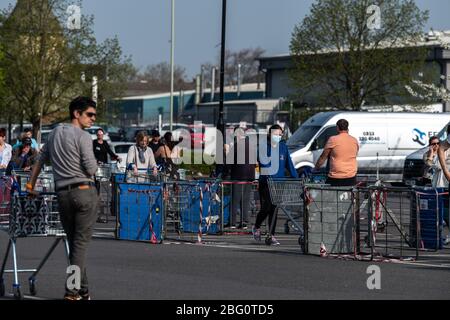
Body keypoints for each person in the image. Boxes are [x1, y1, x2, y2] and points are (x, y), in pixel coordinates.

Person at [28, 96, 99, 301]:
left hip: (62, 193)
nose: (93, 119)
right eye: (89, 114)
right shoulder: (83, 136)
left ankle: (83, 290)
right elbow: (91, 167)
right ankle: (72, 291)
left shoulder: (55, 133)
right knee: (80, 245)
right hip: (84, 191)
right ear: (77, 113)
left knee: (75, 244)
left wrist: (30, 184)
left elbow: (41, 160)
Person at [252, 124, 298, 245]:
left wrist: (296, 177)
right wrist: (268, 173)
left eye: (279, 134)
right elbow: (263, 162)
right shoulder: (263, 147)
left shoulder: (283, 147)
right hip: (266, 182)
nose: (277, 136)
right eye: (275, 134)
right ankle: (256, 226)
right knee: (266, 207)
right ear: (269, 134)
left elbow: (289, 164)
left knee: (274, 208)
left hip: (279, 183)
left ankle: (271, 235)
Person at [226, 127, 256, 229]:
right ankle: (244, 222)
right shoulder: (251, 146)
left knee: (235, 200)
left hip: (238, 176)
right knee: (245, 200)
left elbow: (229, 162)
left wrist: (226, 173)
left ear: (238, 136)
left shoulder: (236, 145)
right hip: (250, 177)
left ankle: (232, 222)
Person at [314, 119, 359, 186]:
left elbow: (323, 157)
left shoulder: (333, 139)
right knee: (349, 195)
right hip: (351, 176)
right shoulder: (354, 140)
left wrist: (316, 168)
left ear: (337, 128)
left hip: (336, 176)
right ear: (347, 128)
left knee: (327, 194)